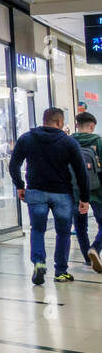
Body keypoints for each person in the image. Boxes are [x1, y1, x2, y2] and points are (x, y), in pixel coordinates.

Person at [9, 107, 91, 284]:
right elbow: (81, 172)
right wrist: (85, 198)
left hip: (36, 192)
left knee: (37, 229)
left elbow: (13, 165)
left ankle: (39, 262)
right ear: (60, 122)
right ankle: (60, 271)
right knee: (63, 233)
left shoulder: (27, 138)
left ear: (44, 119)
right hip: (62, 194)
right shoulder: (68, 142)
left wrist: (20, 186)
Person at [71, 111, 102, 273]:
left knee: (80, 227)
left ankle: (87, 260)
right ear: (92, 126)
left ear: (77, 125)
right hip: (97, 189)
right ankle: (95, 248)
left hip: (75, 191)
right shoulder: (98, 142)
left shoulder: (69, 142)